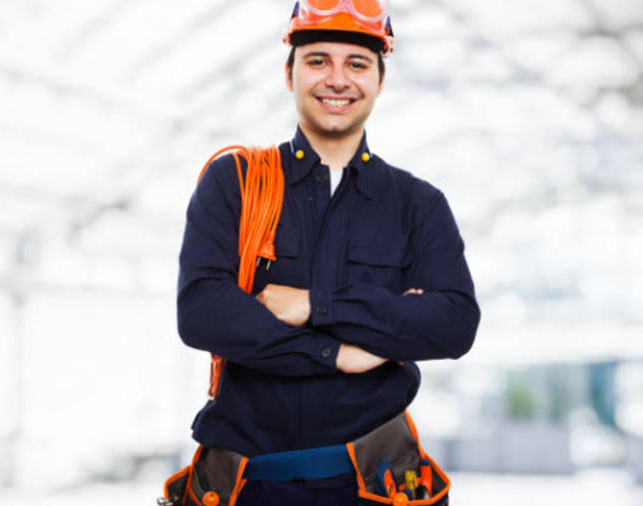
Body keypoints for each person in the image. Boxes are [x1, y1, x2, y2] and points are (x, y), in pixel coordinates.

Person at [174, 1, 480, 504]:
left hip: (376, 484)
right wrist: (339, 352)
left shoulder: (418, 205)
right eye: (318, 60)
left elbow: (453, 323)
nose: (337, 79)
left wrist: (315, 305)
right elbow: (203, 313)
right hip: (248, 484)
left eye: (357, 64)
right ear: (289, 72)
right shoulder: (236, 183)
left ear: (380, 80)